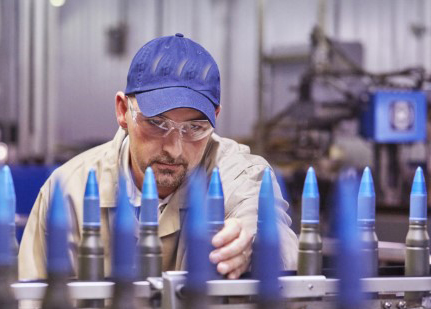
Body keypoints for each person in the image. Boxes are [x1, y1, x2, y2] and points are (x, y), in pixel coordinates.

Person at [19, 33, 298, 280]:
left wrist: (253, 240)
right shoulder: (68, 191)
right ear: (122, 111)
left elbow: (271, 226)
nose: (174, 148)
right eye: (157, 123)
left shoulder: (238, 172)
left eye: (194, 128)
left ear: (215, 119)